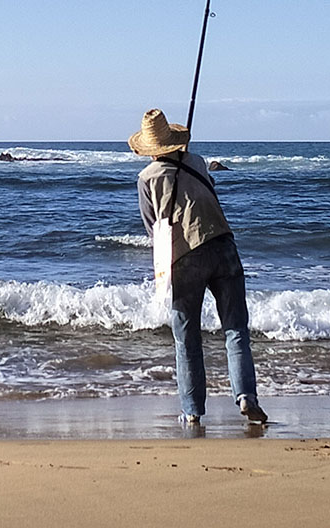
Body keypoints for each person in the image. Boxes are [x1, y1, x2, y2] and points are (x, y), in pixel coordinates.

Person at [129, 107, 267, 426]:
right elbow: (209, 192)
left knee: (187, 337)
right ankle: (246, 396)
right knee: (236, 329)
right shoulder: (197, 162)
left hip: (184, 256)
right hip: (223, 244)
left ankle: (192, 410)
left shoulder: (146, 178)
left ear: (149, 148)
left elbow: (152, 228)